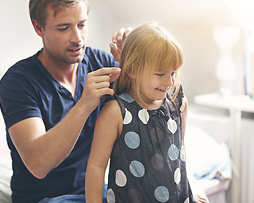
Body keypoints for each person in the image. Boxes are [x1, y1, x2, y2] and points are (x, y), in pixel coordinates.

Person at [0, 0, 131, 203]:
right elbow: (38, 164)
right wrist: (84, 104)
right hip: (46, 199)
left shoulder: (102, 63)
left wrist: (131, 63)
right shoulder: (18, 82)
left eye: (82, 25)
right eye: (64, 28)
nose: (77, 38)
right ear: (39, 28)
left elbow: (144, 116)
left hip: (94, 191)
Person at [85, 22, 207, 203]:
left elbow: (179, 155)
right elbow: (96, 167)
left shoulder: (178, 104)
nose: (169, 82)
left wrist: (191, 190)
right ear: (132, 69)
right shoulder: (115, 112)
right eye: (160, 74)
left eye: (173, 72)